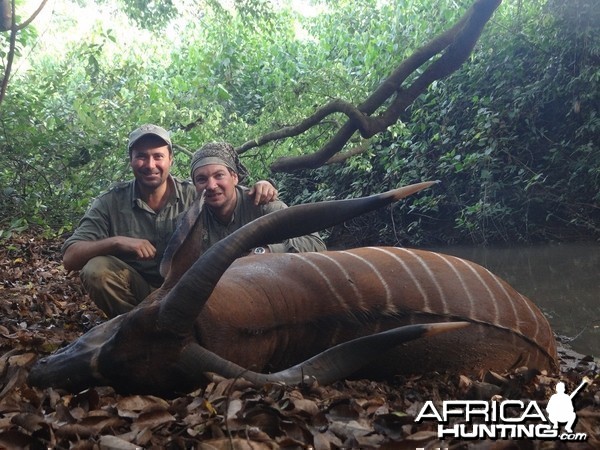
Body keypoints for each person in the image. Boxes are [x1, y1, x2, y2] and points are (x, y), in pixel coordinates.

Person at [62, 124, 277, 318]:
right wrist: (117, 242)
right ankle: (134, 331)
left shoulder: (197, 193)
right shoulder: (110, 202)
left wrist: (262, 187)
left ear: (170, 159)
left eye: (158, 156)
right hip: (137, 291)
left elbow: (229, 194)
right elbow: (70, 258)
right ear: (131, 160)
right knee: (96, 270)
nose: (150, 164)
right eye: (141, 156)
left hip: (189, 292)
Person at [189, 141, 327, 255]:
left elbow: (315, 243)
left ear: (234, 177)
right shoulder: (190, 221)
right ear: (195, 185)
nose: (212, 185)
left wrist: (263, 252)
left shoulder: (263, 204)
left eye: (219, 175)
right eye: (202, 179)